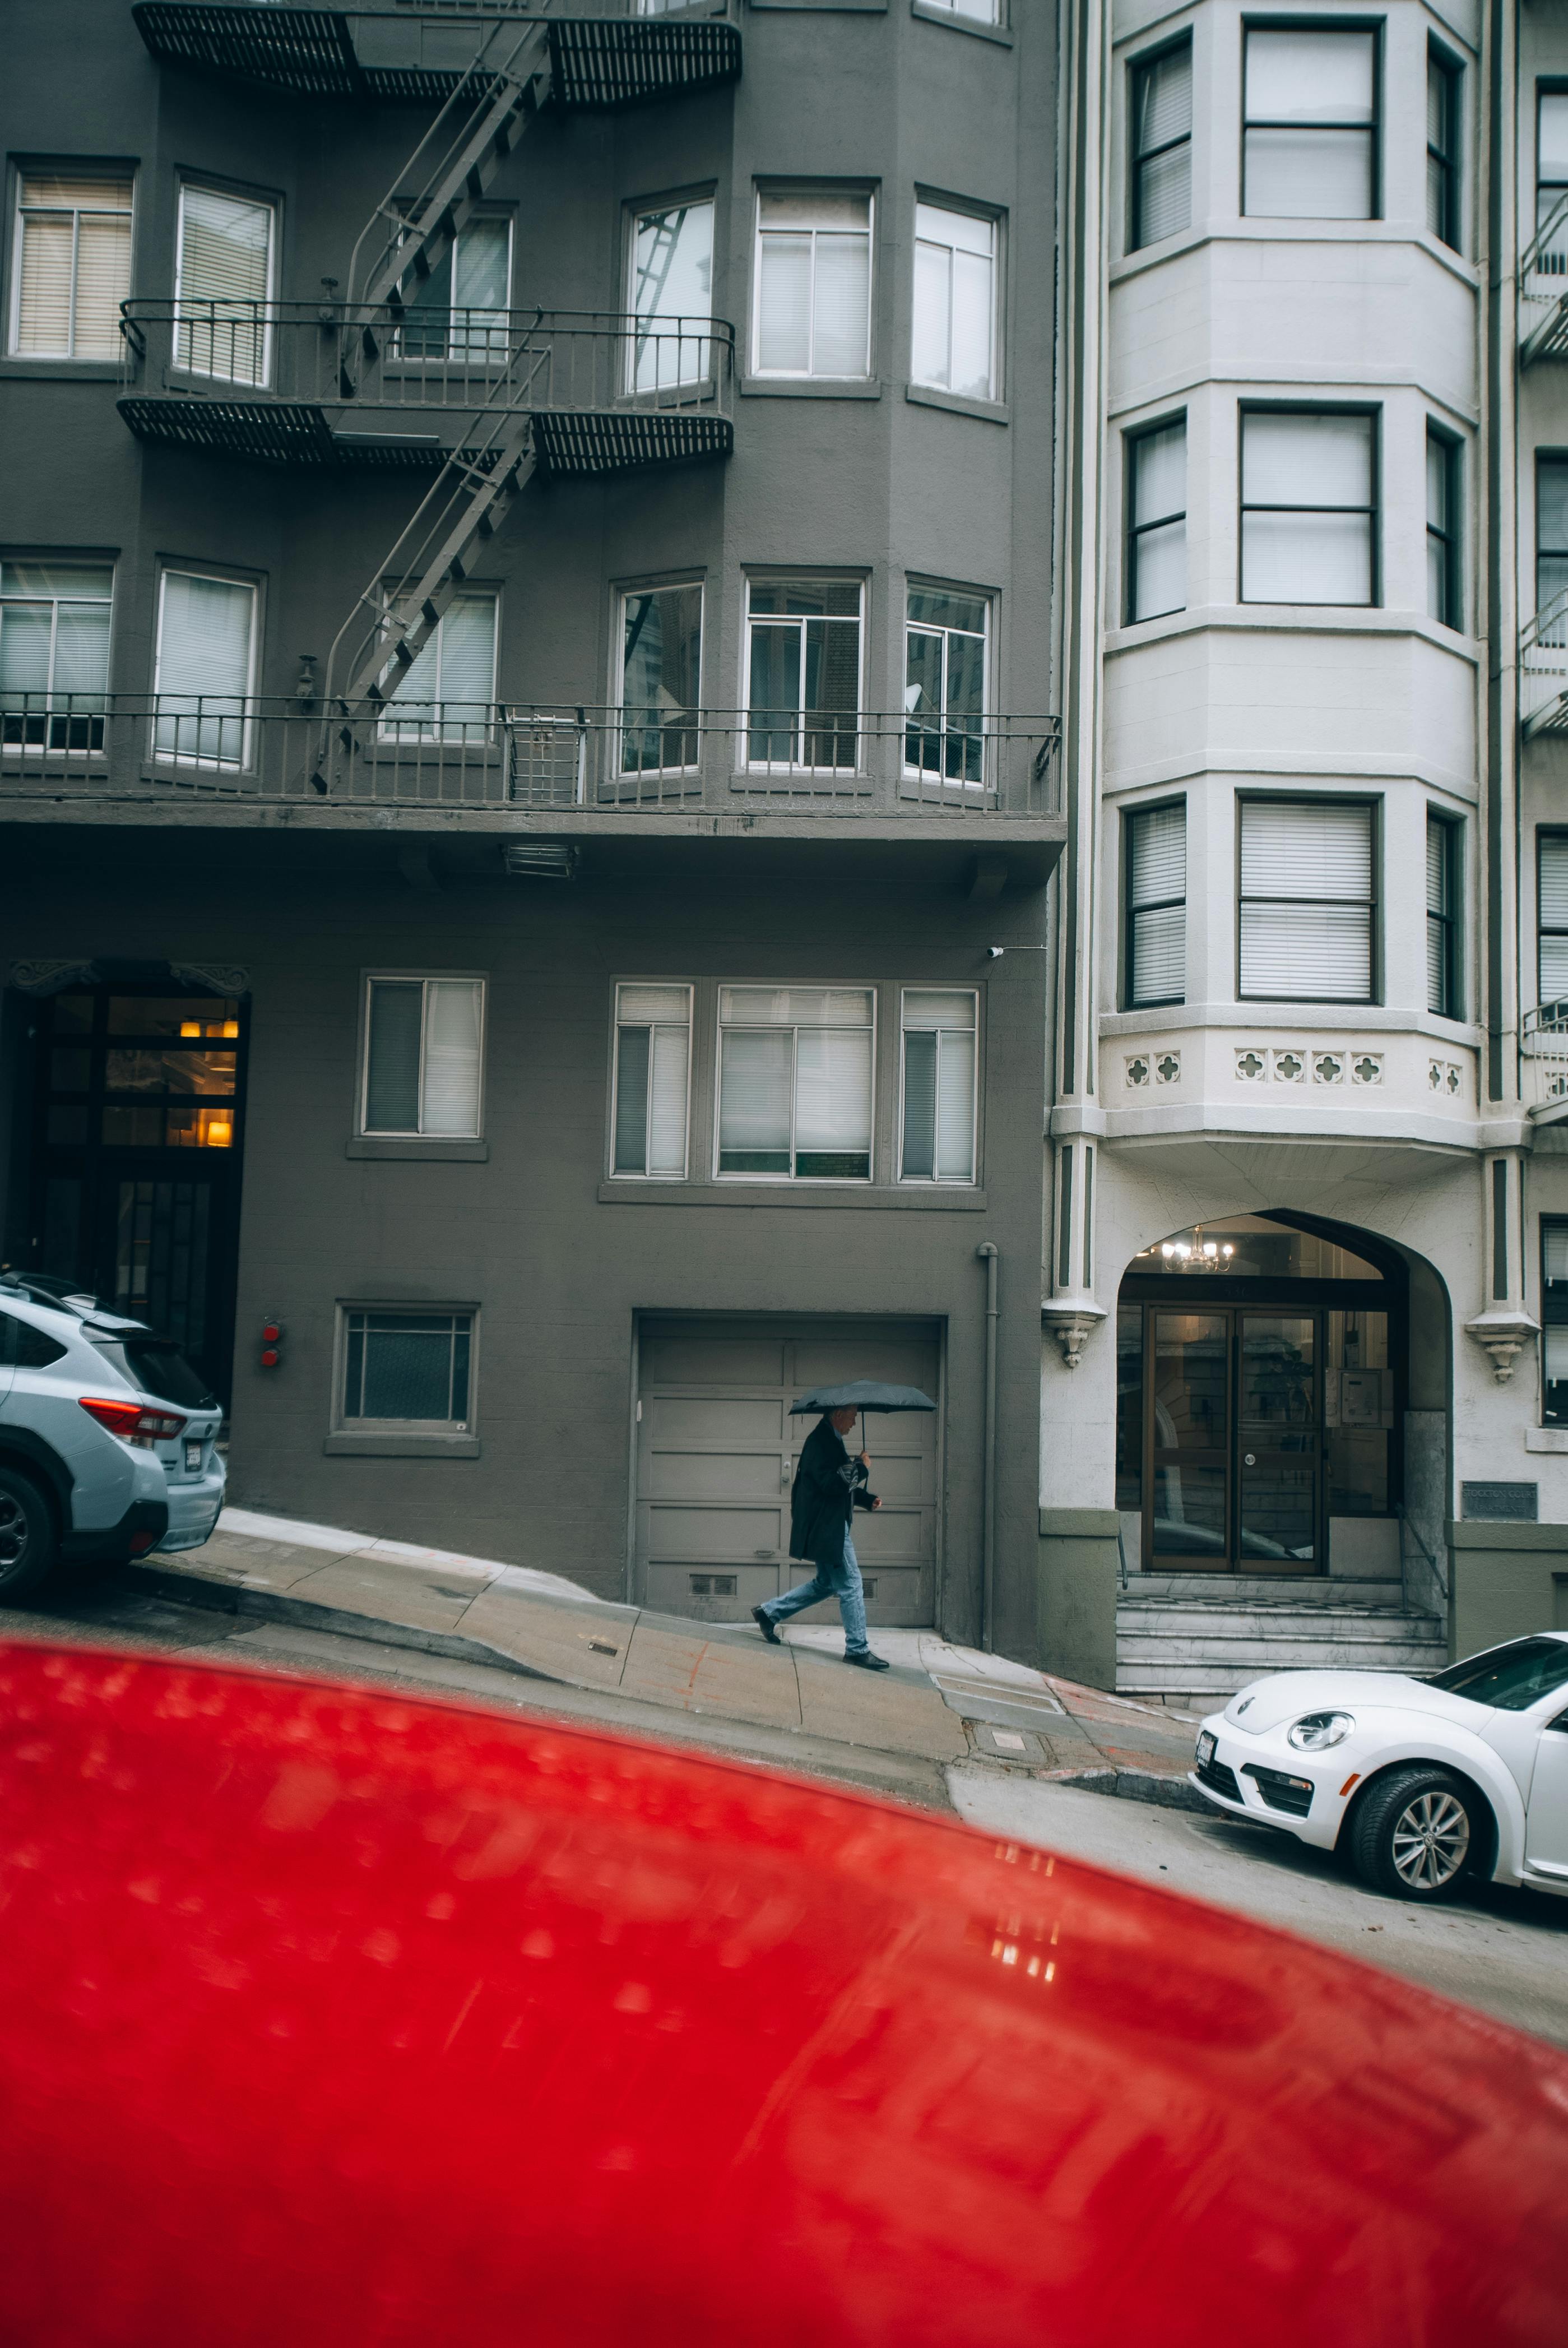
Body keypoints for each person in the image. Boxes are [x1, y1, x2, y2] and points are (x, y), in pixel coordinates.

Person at [753, 1406, 889, 1670]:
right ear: (838, 1414)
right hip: (829, 1528)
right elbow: (830, 1484)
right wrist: (861, 1467)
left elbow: (837, 1487)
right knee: (851, 1584)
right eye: (852, 1415)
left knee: (827, 1583)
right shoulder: (821, 1442)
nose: (855, 1421)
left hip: (828, 1525)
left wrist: (866, 1499)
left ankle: (769, 1614)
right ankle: (857, 1649)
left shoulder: (830, 1439)